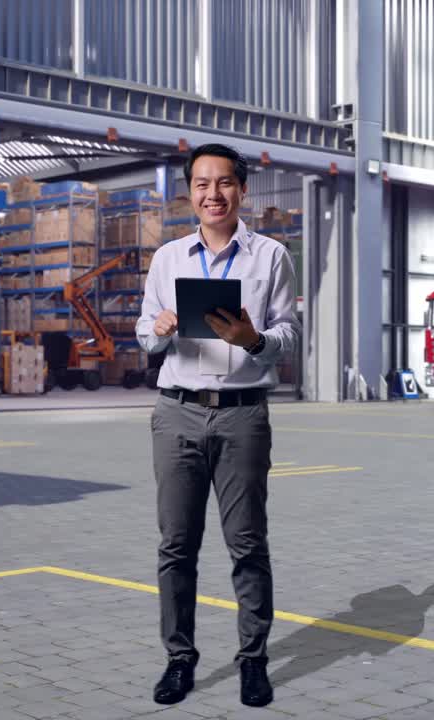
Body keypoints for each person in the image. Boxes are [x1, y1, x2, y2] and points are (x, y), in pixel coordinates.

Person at [135, 143, 300, 708]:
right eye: (202, 185)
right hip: (176, 411)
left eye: (224, 183)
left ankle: (253, 659)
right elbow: (144, 335)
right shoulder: (167, 259)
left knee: (247, 543)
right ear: (190, 194)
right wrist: (157, 328)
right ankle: (179, 659)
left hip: (242, 415)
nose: (213, 194)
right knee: (176, 546)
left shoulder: (271, 257)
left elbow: (290, 337)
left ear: (242, 190)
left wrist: (251, 339)